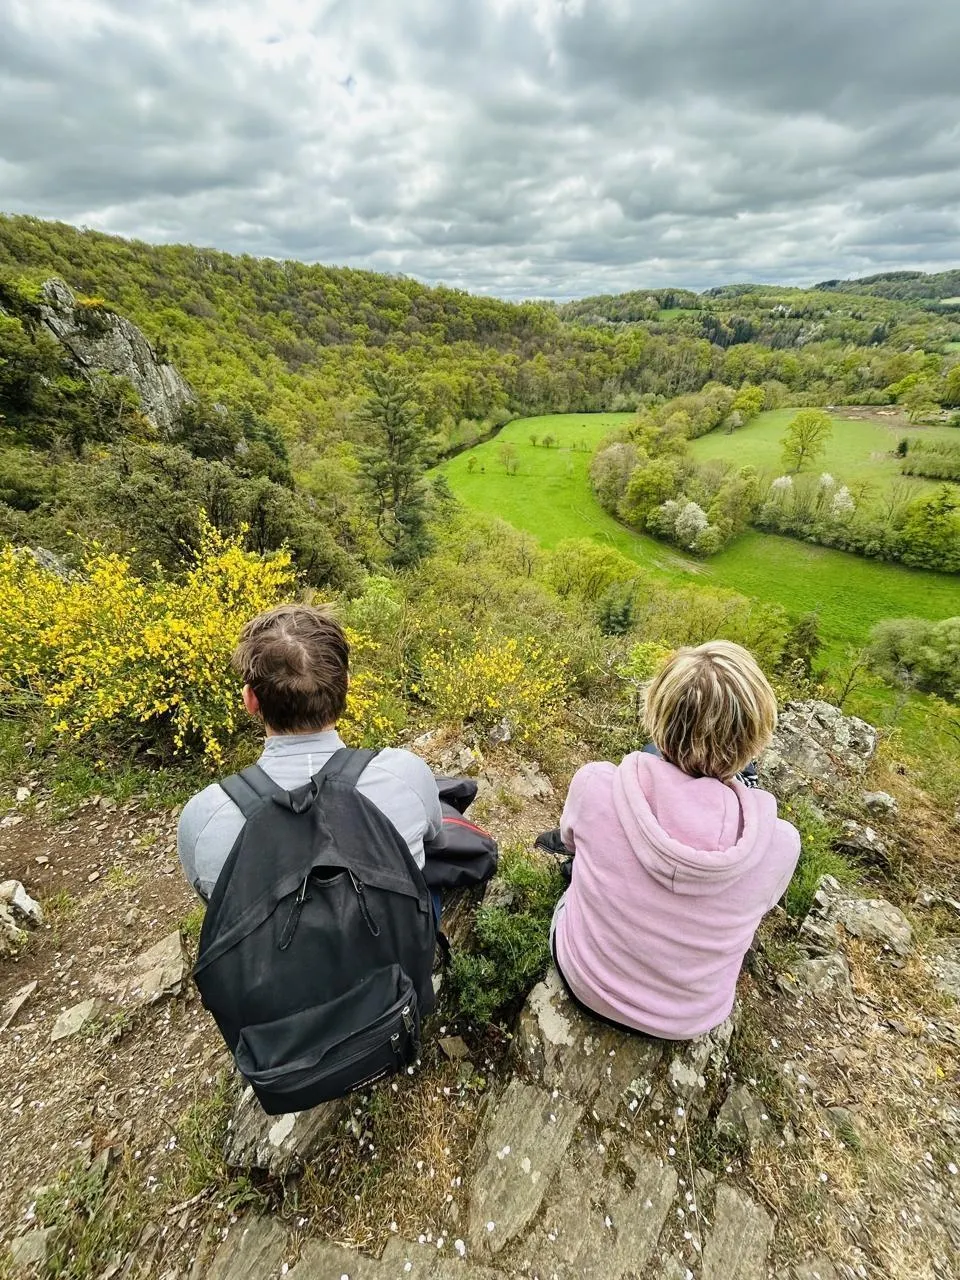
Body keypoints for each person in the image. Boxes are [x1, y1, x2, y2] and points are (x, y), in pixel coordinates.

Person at [550, 640, 800, 1040]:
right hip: (687, 1020)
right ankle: (741, 776)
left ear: (656, 714)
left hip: (585, 981)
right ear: (755, 742)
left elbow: (570, 842)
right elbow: (761, 906)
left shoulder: (595, 784)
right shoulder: (780, 844)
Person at [178, 603, 443, 903]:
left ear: (250, 700)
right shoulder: (406, 774)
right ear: (346, 687)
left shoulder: (204, 817)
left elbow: (213, 905)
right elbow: (434, 836)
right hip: (391, 932)